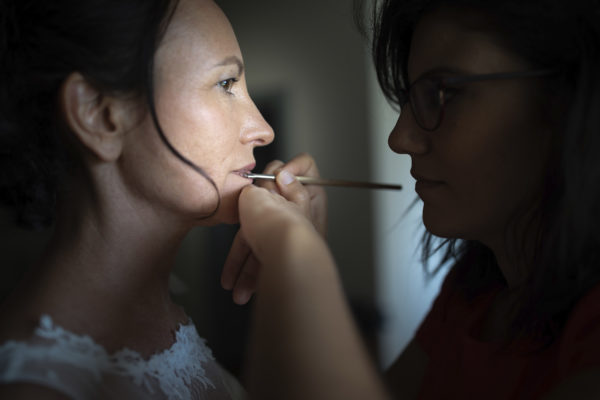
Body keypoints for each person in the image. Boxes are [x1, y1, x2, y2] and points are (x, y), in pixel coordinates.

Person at [222, 0, 600, 398]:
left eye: (442, 93)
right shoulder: (474, 297)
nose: (399, 139)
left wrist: (295, 254)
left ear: (570, 94)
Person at [0, 0, 325, 398]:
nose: (264, 129)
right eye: (226, 84)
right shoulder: (36, 386)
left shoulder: (167, 317)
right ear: (100, 115)